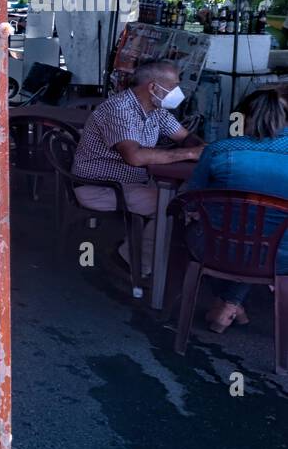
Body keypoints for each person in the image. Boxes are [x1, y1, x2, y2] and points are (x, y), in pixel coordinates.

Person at [72, 59, 205, 275]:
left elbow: (185, 136)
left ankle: (147, 251)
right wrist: (190, 153)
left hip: (132, 182)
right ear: (153, 87)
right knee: (172, 206)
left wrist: (200, 146)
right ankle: (132, 261)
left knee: (189, 197)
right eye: (173, 87)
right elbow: (133, 157)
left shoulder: (155, 110)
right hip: (99, 187)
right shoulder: (120, 109)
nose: (178, 93)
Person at [184, 87, 288, 332]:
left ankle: (227, 303)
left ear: (242, 118)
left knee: (218, 236)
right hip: (282, 257)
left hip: (216, 251)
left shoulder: (218, 150)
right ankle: (231, 304)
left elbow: (192, 201)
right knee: (264, 239)